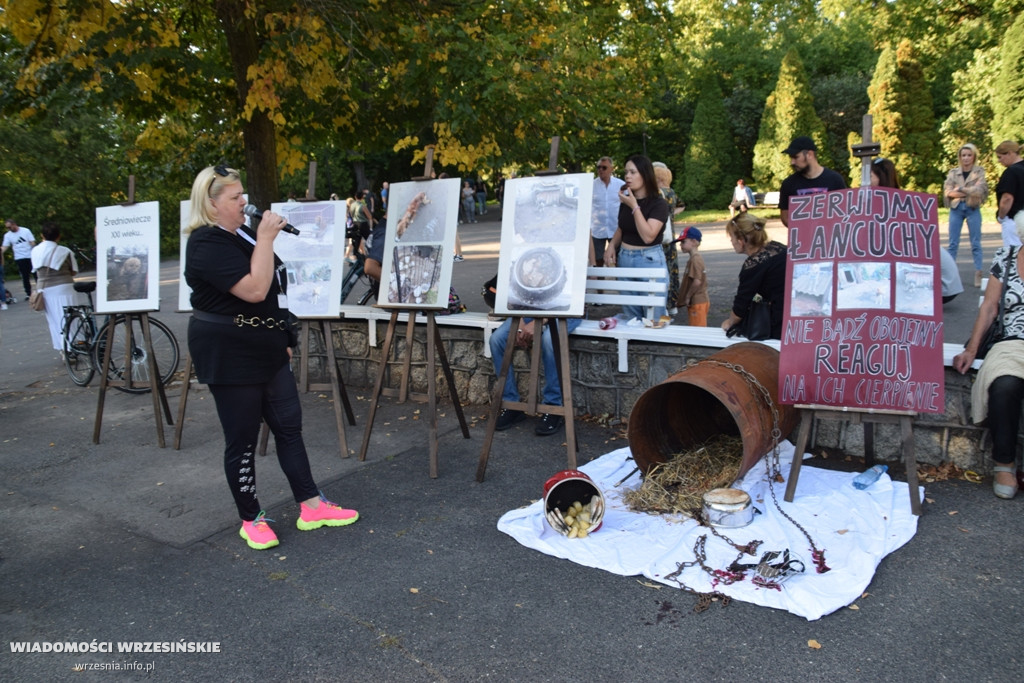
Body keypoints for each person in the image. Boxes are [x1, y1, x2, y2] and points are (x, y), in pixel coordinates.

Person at [184, 165, 359, 550]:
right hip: (229, 353)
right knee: (242, 439)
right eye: (235, 197)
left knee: (289, 427)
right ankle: (251, 518)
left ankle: (311, 504)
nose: (245, 202)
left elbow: (272, 291)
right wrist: (265, 237)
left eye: (243, 194)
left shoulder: (242, 234)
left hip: (265, 346)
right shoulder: (204, 244)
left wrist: (284, 334)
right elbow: (253, 288)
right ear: (211, 206)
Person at [953, 244, 1024, 499]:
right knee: (1004, 385)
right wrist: (971, 350)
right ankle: (1004, 464)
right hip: (1011, 342)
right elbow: (989, 308)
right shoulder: (1006, 256)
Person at [871, 157, 962, 304]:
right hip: (946, 281)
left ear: (880, 177)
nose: (865, 181)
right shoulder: (900, 203)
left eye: (869, 176)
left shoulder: (894, 207)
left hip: (944, 286)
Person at [603, 154, 671, 321]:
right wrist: (611, 245)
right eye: (626, 172)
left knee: (654, 318)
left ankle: (652, 347)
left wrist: (634, 206)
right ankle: (634, 348)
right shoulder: (626, 200)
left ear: (645, 174)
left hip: (649, 259)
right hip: (625, 258)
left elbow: (648, 236)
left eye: (633, 172)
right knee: (631, 316)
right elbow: (622, 227)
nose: (627, 176)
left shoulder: (659, 204)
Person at [489, 313, 581, 436]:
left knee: (549, 341)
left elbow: (570, 296)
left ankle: (553, 407)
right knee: (497, 339)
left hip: (565, 313)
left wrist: (541, 320)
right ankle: (511, 404)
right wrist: (520, 319)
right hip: (528, 311)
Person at [721, 213, 787, 339]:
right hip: (799, 312)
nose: (731, 241)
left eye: (731, 237)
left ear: (741, 241)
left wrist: (729, 322)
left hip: (780, 323)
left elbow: (741, 305)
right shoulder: (777, 247)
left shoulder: (754, 265)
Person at [30, 222, 87, 352]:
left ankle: (63, 348)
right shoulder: (65, 251)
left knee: (54, 320)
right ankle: (75, 343)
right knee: (70, 317)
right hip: (64, 287)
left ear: (42, 235)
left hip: (44, 289)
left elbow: (35, 270)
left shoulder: (35, 251)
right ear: (58, 236)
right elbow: (73, 271)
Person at [943, 143, 988, 287]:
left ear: (974, 156)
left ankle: (978, 273)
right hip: (956, 208)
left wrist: (961, 188)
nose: (966, 158)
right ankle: (949, 275)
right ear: (960, 157)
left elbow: (980, 190)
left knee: (975, 242)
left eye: (969, 155)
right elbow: (948, 192)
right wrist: (968, 190)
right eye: (963, 155)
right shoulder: (953, 172)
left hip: (972, 207)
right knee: (953, 243)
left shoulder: (979, 172)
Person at [778, 136, 847, 227]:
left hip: (829, 237)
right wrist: (804, 230)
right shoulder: (788, 184)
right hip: (801, 239)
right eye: (791, 158)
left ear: (809, 154)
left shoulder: (835, 179)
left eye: (796, 157)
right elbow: (785, 216)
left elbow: (844, 212)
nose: (792, 162)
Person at [652, 161, 683, 314]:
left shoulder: (656, 194)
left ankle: (661, 304)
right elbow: (681, 205)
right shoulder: (671, 192)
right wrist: (671, 215)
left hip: (658, 236)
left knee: (659, 271)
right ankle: (673, 304)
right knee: (672, 270)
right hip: (670, 236)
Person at [591, 157, 625, 266]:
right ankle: (599, 282)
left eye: (604, 167)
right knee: (597, 261)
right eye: (598, 167)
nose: (600, 170)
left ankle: (620, 282)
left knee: (619, 259)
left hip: (615, 228)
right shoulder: (591, 185)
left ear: (611, 169)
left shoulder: (620, 185)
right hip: (597, 229)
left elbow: (628, 203)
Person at [676, 226, 708, 326]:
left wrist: (688, 296)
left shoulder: (695, 259)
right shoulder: (693, 258)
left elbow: (697, 281)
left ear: (694, 242)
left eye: (683, 242)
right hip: (696, 301)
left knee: (698, 330)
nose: (680, 245)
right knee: (695, 327)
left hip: (697, 301)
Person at [994, 140, 1024, 248]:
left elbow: (1007, 198)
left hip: (1014, 220)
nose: (999, 161)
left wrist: (1001, 216)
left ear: (1010, 153)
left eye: (1000, 157)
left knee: (1014, 256)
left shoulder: (1011, 172)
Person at [2, 219, 38, 300]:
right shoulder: (8, 235)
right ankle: (28, 293)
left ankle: (40, 291)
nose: (9, 229)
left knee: (36, 274)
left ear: (14, 224)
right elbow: (5, 246)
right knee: (25, 276)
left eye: (10, 227)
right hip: (19, 257)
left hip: (30, 256)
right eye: (7, 228)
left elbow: (32, 242)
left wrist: (35, 251)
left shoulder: (25, 231)